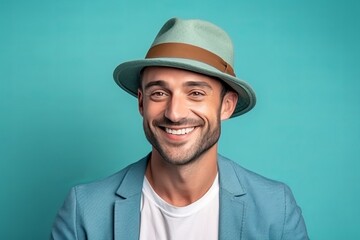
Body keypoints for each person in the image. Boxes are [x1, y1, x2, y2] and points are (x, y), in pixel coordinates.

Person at [51, 18, 309, 239]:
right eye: (160, 93)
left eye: (195, 93)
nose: (174, 113)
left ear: (226, 105)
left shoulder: (276, 210)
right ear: (141, 102)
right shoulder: (84, 211)